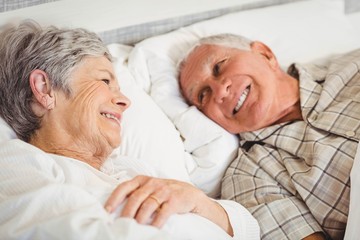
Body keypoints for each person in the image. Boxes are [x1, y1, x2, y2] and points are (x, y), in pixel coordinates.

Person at [0, 22, 260, 240]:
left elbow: (250, 229)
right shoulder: (17, 164)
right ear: (44, 89)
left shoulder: (133, 169)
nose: (125, 101)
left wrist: (200, 202)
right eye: (104, 81)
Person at [178, 33, 360, 240]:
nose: (220, 91)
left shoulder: (352, 67)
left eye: (219, 66)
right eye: (203, 95)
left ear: (265, 54)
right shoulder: (250, 176)